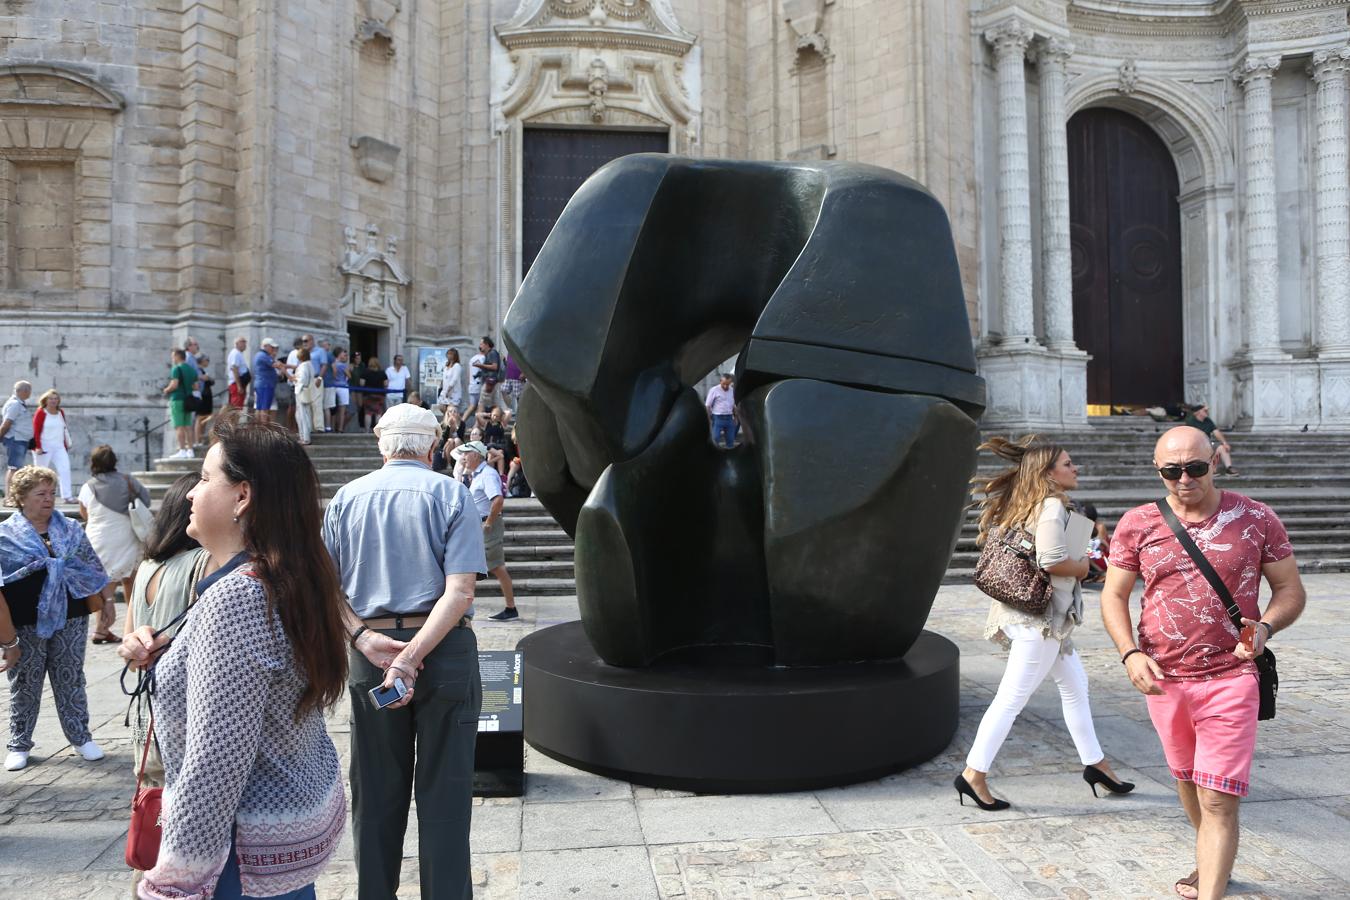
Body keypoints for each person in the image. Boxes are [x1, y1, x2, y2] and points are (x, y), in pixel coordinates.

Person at [121, 420, 348, 899]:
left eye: (205, 479)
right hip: (279, 834)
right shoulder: (277, 579)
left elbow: (214, 763)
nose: (190, 494)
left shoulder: (239, 597)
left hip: (238, 854)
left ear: (242, 497)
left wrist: (175, 881)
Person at [1100, 426, 1305, 900]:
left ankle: (1211, 886)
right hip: (1164, 681)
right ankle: (1212, 858)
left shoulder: (1255, 517)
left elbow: (1290, 590)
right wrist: (1129, 654)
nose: (1184, 479)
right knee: (1189, 780)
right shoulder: (1138, 523)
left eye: (1195, 467)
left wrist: (1265, 627)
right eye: (1172, 471)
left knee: (1217, 797)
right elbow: (1113, 594)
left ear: (1214, 460)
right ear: (1158, 470)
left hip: (1232, 677)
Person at [322, 404, 485, 900]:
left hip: (368, 653)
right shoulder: (452, 494)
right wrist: (412, 655)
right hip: (443, 648)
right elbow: (459, 593)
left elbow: (325, 589)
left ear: (380, 444)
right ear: (432, 447)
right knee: (446, 791)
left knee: (374, 790)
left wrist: (363, 639)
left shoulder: (346, 499)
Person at [956, 436, 1132, 811]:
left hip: (1034, 617)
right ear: (1048, 474)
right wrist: (1087, 567)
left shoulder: (1027, 505)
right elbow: (1053, 561)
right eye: (1068, 464)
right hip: (1040, 620)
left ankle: (1096, 765)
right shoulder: (1051, 505)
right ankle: (974, 774)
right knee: (1011, 700)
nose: (1075, 468)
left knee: (1075, 687)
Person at [1, 465, 109, 772]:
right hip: (25, 618)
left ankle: (81, 737)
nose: (48, 499)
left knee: (71, 676)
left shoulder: (71, 528)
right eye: (40, 494)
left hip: (71, 615)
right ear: (20, 498)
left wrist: (105, 603)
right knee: (25, 682)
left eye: (51, 493)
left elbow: (91, 569)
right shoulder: (5, 536)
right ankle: (19, 743)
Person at [120, 473, 211, 787]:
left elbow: (129, 653)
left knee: (156, 799)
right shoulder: (204, 560)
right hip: (184, 709)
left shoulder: (145, 566)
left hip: (149, 709)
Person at [79, 445, 151, 643]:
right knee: (132, 581)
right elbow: (146, 500)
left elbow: (84, 512)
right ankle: (132, 626)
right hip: (125, 534)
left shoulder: (87, 486)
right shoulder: (128, 481)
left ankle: (102, 628)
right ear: (114, 461)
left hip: (97, 536)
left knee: (105, 584)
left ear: (93, 463)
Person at [457, 440, 518, 623]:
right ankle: (464, 606)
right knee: (485, 566)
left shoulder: (487, 474)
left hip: (487, 525)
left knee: (496, 567)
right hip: (480, 525)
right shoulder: (478, 474)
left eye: (466, 453)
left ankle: (510, 608)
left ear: (476, 454)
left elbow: (498, 499)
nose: (463, 457)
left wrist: (489, 523)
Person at [31, 389, 74, 502]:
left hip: (59, 446)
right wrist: (38, 447)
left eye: (55, 399)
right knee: (41, 472)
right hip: (44, 446)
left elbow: (63, 429)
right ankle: (38, 495)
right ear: (46, 400)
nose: (53, 401)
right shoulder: (41, 412)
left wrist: (65, 446)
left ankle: (67, 496)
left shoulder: (61, 412)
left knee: (65, 469)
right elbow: (36, 431)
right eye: (51, 398)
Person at [162, 348, 198, 459]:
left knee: (179, 426)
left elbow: (174, 385)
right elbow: (196, 386)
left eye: (173, 356)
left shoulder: (176, 369)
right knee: (188, 426)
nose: (172, 358)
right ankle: (190, 450)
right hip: (188, 400)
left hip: (177, 399)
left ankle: (182, 450)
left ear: (178, 356)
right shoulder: (192, 370)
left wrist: (166, 390)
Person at [0, 380, 34, 496]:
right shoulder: (15, 404)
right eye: (29, 391)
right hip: (16, 439)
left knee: (16, 468)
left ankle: (13, 496)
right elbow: (7, 423)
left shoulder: (19, 404)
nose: (30, 393)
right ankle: (9, 497)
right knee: (14, 468)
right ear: (23, 391)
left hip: (21, 439)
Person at [1184, 403, 1237, 476]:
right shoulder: (1191, 421)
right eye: (1205, 411)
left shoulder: (1207, 420)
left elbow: (1216, 432)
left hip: (1208, 443)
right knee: (1207, 449)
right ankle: (1211, 470)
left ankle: (1229, 468)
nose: (1207, 412)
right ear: (1197, 413)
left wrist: (1225, 443)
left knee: (1222, 448)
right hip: (1196, 444)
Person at [252, 337, 282, 425]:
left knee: (260, 407)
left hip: (262, 384)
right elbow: (276, 365)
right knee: (265, 408)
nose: (273, 349)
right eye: (271, 347)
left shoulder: (260, 355)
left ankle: (259, 429)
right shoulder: (263, 356)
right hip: (265, 385)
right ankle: (263, 430)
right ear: (265, 346)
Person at [293, 347, 320, 445]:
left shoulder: (303, 366)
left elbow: (302, 380)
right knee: (304, 414)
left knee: (302, 415)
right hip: (307, 391)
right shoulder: (310, 365)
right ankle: (305, 436)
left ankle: (305, 438)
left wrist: (293, 379)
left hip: (302, 391)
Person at [705, 372, 738, 448]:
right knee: (715, 438)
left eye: (728, 384)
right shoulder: (714, 390)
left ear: (730, 382)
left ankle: (729, 456)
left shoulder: (732, 390)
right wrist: (708, 419)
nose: (726, 386)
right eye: (724, 384)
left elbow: (733, 405)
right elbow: (707, 406)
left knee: (731, 439)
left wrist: (736, 417)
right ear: (720, 381)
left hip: (729, 417)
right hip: (717, 418)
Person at [192, 353, 217, 447]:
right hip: (202, 396)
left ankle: (201, 439)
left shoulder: (202, 370)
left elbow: (211, 381)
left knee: (205, 418)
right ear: (202, 361)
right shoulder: (198, 370)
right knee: (199, 418)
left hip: (207, 397)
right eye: (207, 360)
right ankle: (197, 440)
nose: (208, 362)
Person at [361, 355, 388, 431]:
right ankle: (377, 432)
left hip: (368, 395)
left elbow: (362, 383)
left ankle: (367, 431)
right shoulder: (382, 373)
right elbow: (386, 384)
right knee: (378, 413)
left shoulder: (365, 372)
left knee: (368, 413)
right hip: (379, 395)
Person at [314, 337, 335, 433]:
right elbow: (335, 369)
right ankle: (328, 427)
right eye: (328, 344)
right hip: (328, 383)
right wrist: (334, 378)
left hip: (318, 382)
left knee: (320, 406)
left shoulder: (318, 354)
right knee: (326, 407)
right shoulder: (329, 355)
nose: (329, 346)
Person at [227, 335, 250, 409]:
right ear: (236, 343)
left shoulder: (238, 353)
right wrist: (239, 386)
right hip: (236, 384)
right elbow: (234, 368)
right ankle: (232, 421)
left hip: (238, 384)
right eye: (242, 342)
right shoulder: (235, 353)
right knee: (236, 408)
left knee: (237, 408)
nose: (245, 344)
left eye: (245, 342)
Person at [438, 348, 464, 414]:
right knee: (441, 407)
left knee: (451, 410)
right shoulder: (446, 366)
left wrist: (449, 389)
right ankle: (446, 421)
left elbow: (454, 379)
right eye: (448, 354)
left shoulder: (457, 366)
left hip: (453, 392)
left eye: (451, 354)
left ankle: (451, 422)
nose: (449, 355)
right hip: (444, 390)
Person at [333, 347, 351, 434]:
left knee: (334, 410)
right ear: (339, 354)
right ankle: (340, 429)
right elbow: (349, 376)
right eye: (344, 355)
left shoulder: (333, 364)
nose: (346, 357)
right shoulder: (342, 365)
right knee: (342, 410)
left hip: (333, 386)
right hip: (343, 387)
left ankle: (333, 427)